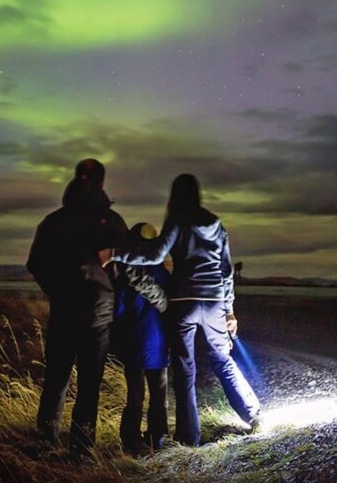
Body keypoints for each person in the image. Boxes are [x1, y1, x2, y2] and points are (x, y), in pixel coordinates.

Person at [100, 173, 261, 447]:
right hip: (213, 303)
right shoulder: (216, 223)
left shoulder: (176, 220)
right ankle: (252, 413)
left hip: (183, 302)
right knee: (223, 358)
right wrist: (229, 310)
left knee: (185, 369)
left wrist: (114, 253)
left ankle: (189, 438)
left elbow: (154, 256)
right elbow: (226, 271)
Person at [26, 158, 128, 454]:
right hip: (98, 313)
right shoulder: (112, 221)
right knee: (89, 384)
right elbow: (128, 264)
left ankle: (45, 439)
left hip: (64, 311)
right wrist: (112, 289)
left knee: (56, 378)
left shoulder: (54, 221)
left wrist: (55, 289)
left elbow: (35, 263)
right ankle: (82, 449)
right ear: (101, 181)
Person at [111, 223, 171, 454]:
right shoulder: (163, 273)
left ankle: (131, 441)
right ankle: (159, 437)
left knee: (135, 394)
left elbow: (119, 311)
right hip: (159, 343)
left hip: (135, 341)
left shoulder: (126, 274)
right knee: (159, 393)